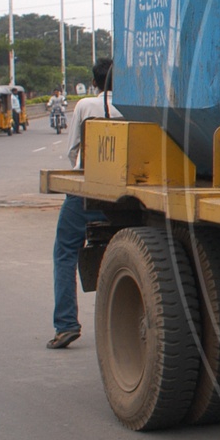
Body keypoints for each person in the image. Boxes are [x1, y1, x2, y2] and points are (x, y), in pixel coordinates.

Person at [48, 58, 124, 349]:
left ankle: (66, 324)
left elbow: (72, 151)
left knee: (65, 251)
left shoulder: (85, 106)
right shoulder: (136, 105)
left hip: (87, 188)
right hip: (124, 193)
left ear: (94, 83)